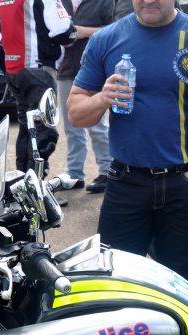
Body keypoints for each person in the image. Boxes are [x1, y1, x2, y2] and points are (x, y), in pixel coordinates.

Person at [68, 0, 188, 284]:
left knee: (180, 288)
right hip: (125, 184)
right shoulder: (106, 39)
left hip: (184, 186)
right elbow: (76, 114)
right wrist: (102, 98)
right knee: (115, 284)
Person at [0, 0, 73, 173]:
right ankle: (34, 184)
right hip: (38, 69)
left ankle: (22, 179)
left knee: (26, 127)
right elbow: (62, 31)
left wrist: (10, 68)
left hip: (14, 71)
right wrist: (74, 32)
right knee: (44, 131)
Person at [56, 0, 115, 194]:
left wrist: (83, 31)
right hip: (65, 70)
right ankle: (75, 174)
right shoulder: (59, 2)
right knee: (71, 128)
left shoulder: (103, 2)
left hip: (94, 72)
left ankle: (107, 172)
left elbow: (115, 30)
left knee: (98, 127)